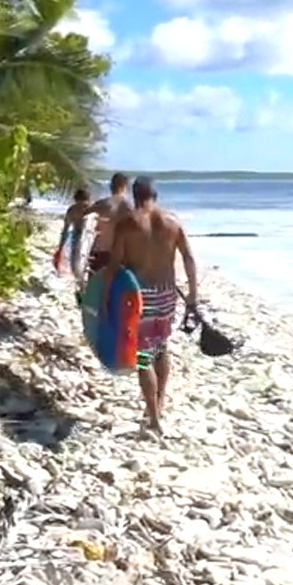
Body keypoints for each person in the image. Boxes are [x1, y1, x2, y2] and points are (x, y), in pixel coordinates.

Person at [89, 176, 200, 435]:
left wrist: (103, 297)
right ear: (155, 195)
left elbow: (114, 265)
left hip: (139, 295)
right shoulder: (173, 222)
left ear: (134, 196)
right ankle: (159, 404)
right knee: (160, 348)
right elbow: (189, 258)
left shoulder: (129, 223)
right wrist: (193, 296)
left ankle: (153, 419)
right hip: (166, 294)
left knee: (141, 356)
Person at [52, 185, 97, 280]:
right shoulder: (92, 209)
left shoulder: (72, 210)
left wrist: (60, 248)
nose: (82, 207)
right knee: (86, 267)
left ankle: (81, 284)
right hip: (90, 240)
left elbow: (65, 231)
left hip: (79, 239)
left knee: (77, 266)